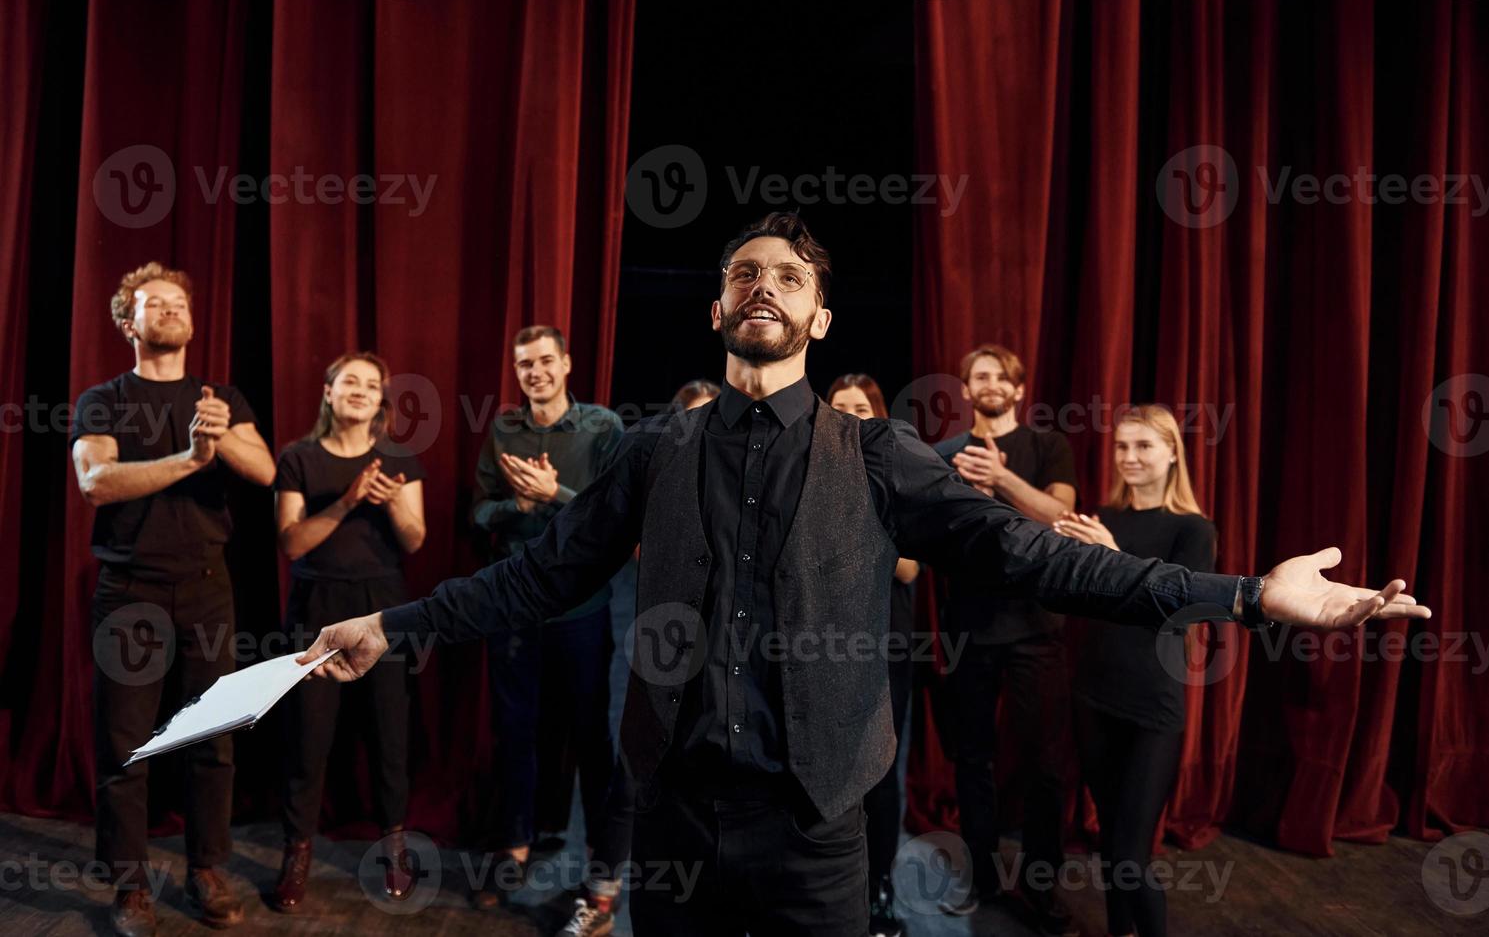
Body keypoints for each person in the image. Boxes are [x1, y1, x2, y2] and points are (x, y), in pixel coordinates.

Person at [298, 212, 1427, 937]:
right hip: (678, 817)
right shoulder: (654, 451)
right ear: (714, 308)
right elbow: (539, 576)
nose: (762, 285)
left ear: (818, 316)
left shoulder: (879, 454)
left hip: (819, 827)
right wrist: (392, 626)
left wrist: (1243, 593)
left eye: (786, 275)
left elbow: (1035, 554)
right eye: (742, 271)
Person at [70, 262, 275, 937]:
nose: (170, 310)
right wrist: (190, 458)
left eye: (179, 302)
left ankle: (207, 867)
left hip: (208, 588)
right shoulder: (103, 399)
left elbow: (267, 471)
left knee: (212, 736)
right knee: (126, 745)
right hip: (130, 590)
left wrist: (222, 438)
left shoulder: (219, 398)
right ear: (128, 323)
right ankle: (130, 887)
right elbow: (97, 480)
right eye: (154, 304)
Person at [557, 378, 724, 937]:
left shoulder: (754, 478)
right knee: (633, 775)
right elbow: (626, 540)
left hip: (735, 660)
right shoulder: (662, 475)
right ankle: (600, 900)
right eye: (693, 417)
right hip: (666, 646)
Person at [468, 325, 625, 910]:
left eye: (544, 361)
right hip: (513, 605)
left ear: (566, 364)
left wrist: (556, 494)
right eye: (523, 365)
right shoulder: (503, 429)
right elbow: (479, 512)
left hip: (581, 608)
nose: (534, 372)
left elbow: (617, 518)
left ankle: (601, 869)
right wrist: (520, 505)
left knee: (590, 736)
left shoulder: (603, 427)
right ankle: (513, 848)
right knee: (516, 731)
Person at [267, 352, 427, 912]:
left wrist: (386, 506)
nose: (360, 390)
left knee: (389, 732)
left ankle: (395, 846)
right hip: (316, 605)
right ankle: (297, 850)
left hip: (383, 607)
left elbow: (414, 540)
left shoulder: (397, 457)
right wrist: (348, 501)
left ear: (381, 400)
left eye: (371, 385)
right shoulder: (298, 457)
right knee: (307, 738)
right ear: (329, 393)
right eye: (349, 382)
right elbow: (290, 544)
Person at [931, 344, 1080, 933]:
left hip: (1035, 631)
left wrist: (1001, 479)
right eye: (979, 376)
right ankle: (983, 880)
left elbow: (1061, 520)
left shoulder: (1047, 447)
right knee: (972, 762)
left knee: (1045, 766)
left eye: (1002, 377)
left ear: (1018, 389)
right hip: (967, 629)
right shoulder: (945, 454)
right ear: (967, 391)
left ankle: (1041, 890)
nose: (990, 384)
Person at [1054, 405, 1214, 937]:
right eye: (1122, 446)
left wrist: (1109, 554)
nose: (1130, 457)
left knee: (1129, 851)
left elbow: (1176, 605)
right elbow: (1083, 601)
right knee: (1110, 842)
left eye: (1144, 446)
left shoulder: (1192, 529)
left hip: (1152, 706)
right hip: (1093, 695)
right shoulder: (1103, 516)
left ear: (1172, 453)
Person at [828, 373, 921, 937]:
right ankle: (831, 889)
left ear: (879, 414)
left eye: (861, 408)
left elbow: (909, 568)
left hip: (885, 645)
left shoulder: (899, 473)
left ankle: (879, 888)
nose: (852, 417)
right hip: (822, 645)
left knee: (880, 772)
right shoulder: (811, 468)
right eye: (841, 409)